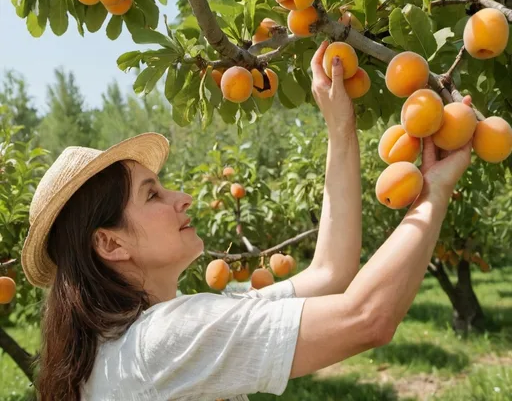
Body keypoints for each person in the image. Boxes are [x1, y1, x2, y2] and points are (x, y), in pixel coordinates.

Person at [20, 41, 471, 401]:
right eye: (152, 194)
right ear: (110, 244)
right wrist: (432, 191)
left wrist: (341, 128)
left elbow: (331, 274)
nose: (182, 198)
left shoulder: (129, 345)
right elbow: (366, 317)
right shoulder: (163, 341)